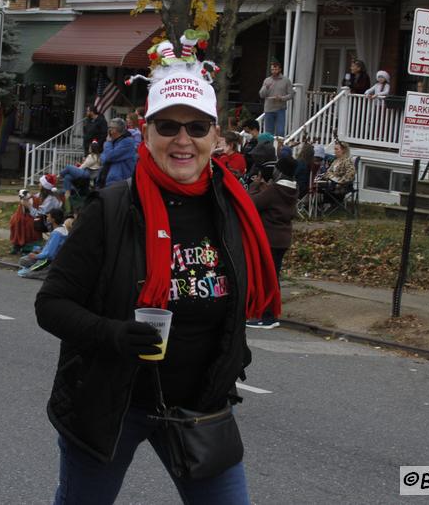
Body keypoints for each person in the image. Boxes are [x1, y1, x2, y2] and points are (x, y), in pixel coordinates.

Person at [35, 39, 280, 504]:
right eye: (168, 126)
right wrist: (112, 334)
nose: (182, 139)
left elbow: (238, 300)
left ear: (215, 135)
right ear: (146, 133)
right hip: (111, 403)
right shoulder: (111, 208)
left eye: (196, 127)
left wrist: (232, 357)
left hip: (200, 407)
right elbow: (50, 306)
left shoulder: (233, 208)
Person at [247, 156, 298, 329]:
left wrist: (255, 185)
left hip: (270, 238)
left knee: (266, 279)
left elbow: (252, 203)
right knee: (273, 277)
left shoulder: (275, 189)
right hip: (283, 239)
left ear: (280, 170)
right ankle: (271, 313)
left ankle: (266, 316)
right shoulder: (292, 189)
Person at [17, 208, 69, 279]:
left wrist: (36, 256)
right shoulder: (62, 229)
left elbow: (49, 254)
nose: (47, 219)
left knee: (24, 273)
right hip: (51, 258)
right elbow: (50, 247)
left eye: (48, 217)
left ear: (53, 219)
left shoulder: (57, 233)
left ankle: (46, 272)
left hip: (49, 260)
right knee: (23, 260)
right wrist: (40, 250)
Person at [61, 140, 102, 209]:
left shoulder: (91, 156)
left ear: (92, 148)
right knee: (67, 177)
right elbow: (88, 165)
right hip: (88, 174)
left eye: (89, 147)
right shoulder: (98, 157)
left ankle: (58, 177)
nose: (89, 149)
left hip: (85, 174)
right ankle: (67, 198)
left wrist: (76, 168)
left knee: (68, 167)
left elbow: (82, 167)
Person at [98, 117, 138, 188]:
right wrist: (107, 156)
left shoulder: (127, 142)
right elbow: (102, 158)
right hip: (105, 180)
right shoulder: (113, 142)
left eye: (110, 127)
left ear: (116, 129)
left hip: (118, 183)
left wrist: (108, 142)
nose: (108, 130)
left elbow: (109, 156)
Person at [258, 61, 292, 136]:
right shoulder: (267, 80)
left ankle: (279, 147)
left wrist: (281, 98)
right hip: (268, 109)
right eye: (272, 69)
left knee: (280, 132)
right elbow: (261, 95)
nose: (273, 71)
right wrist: (266, 87)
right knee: (268, 133)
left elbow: (291, 94)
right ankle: (270, 147)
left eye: (275, 69)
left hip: (280, 109)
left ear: (280, 69)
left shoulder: (286, 80)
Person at [317, 140, 355, 205]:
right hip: (330, 183)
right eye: (334, 149)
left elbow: (351, 174)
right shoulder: (336, 160)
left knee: (321, 187)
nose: (335, 151)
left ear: (343, 150)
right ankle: (316, 206)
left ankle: (324, 205)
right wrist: (328, 176)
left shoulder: (347, 161)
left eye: (337, 149)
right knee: (315, 186)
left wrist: (339, 182)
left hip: (341, 186)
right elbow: (328, 172)